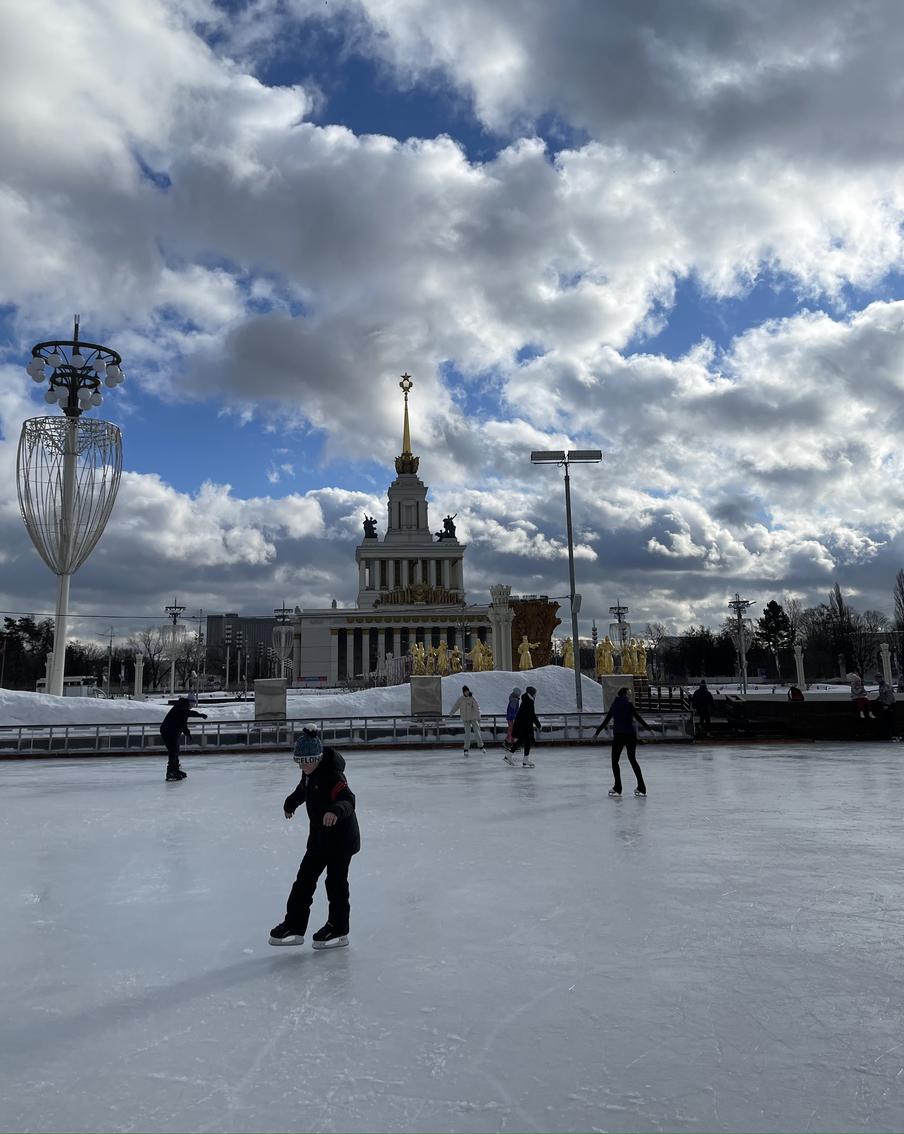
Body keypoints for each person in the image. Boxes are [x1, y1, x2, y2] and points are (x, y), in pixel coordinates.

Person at [270, 729, 360, 949]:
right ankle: (294, 925)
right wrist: (290, 802)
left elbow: (348, 799)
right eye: (299, 763)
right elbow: (303, 790)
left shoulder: (334, 775)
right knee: (304, 881)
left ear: (317, 758)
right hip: (319, 838)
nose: (303, 767)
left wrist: (336, 811)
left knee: (335, 884)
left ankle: (338, 928)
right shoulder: (309, 773)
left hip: (341, 840)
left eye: (306, 762)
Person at [594, 687, 650, 797]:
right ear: (624, 694)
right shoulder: (629, 704)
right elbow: (638, 718)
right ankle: (642, 787)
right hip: (630, 735)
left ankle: (618, 787)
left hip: (619, 735)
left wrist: (597, 732)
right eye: (629, 693)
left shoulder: (615, 705)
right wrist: (649, 729)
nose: (630, 695)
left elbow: (607, 719)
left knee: (615, 761)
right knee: (633, 760)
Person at [159, 697, 208, 782]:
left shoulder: (182, 708)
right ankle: (170, 772)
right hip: (168, 731)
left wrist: (187, 732)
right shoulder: (181, 707)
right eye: (193, 704)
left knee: (175, 750)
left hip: (172, 732)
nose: (193, 706)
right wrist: (199, 715)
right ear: (189, 702)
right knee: (173, 751)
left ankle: (175, 769)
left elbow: (182, 723)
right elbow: (187, 713)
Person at [504, 686, 541, 767]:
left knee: (522, 741)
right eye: (535, 694)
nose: (535, 695)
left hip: (523, 724)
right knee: (527, 741)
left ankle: (511, 756)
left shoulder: (526, 700)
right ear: (532, 693)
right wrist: (539, 725)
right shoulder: (529, 702)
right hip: (525, 725)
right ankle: (524, 759)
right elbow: (532, 715)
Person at [449, 685, 487, 756]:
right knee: (467, 734)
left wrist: (478, 717)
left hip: (473, 718)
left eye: (467, 691)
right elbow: (456, 706)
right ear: (463, 692)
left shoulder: (472, 698)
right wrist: (451, 713)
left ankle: (481, 747)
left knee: (477, 732)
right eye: (465, 692)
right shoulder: (461, 699)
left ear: (469, 691)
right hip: (465, 719)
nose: (466, 693)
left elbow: (477, 708)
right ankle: (466, 749)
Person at [870, 674, 896, 739]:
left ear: (881, 678)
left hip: (889, 705)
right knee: (885, 720)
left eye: (877, 679)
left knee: (890, 720)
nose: (877, 680)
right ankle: (888, 734)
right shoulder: (881, 685)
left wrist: (887, 705)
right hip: (885, 704)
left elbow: (889, 695)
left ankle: (893, 734)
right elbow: (882, 695)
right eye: (876, 679)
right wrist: (877, 700)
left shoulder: (886, 685)